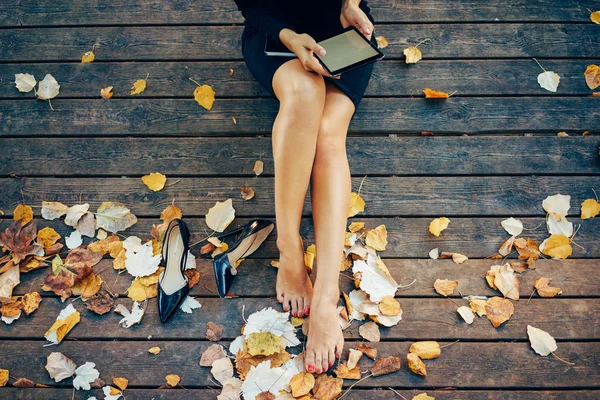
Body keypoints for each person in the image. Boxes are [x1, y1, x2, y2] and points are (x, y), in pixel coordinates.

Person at [233, 0, 376, 375]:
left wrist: (351, 3)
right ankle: (289, 245)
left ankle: (326, 297)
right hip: (276, 35)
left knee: (329, 133)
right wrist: (290, 37)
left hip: (343, 36)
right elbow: (251, 5)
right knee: (304, 93)